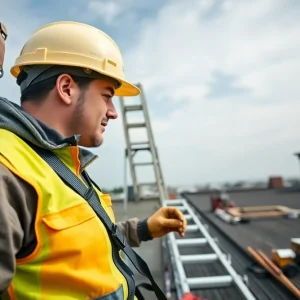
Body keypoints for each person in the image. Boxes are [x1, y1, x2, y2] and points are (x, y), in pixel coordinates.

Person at [0, 21, 187, 300]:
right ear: (66, 88)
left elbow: (74, 243)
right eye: (107, 96)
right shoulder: (9, 169)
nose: (113, 112)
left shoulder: (59, 160)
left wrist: (144, 229)